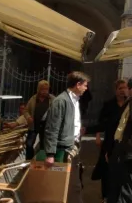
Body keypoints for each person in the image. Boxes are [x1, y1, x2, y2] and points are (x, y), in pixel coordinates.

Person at [43, 72, 90, 203]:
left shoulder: (74, 100)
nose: (86, 88)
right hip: (62, 150)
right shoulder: (61, 101)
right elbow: (52, 128)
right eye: (85, 85)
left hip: (72, 147)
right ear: (78, 84)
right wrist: (50, 154)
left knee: (73, 184)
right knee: (67, 185)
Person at [92, 79, 129, 200]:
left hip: (123, 141)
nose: (122, 91)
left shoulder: (129, 104)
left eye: (125, 88)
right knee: (106, 169)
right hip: (109, 141)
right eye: (120, 88)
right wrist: (98, 136)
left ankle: (118, 195)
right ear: (115, 90)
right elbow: (101, 122)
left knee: (120, 169)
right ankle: (105, 196)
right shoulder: (109, 104)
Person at [25, 81, 54, 159]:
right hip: (34, 126)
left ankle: (40, 161)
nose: (44, 91)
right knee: (29, 144)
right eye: (42, 89)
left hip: (46, 126)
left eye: (46, 89)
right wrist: (28, 117)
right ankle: (28, 161)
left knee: (43, 146)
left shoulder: (52, 99)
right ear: (38, 89)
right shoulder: (33, 99)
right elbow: (26, 111)